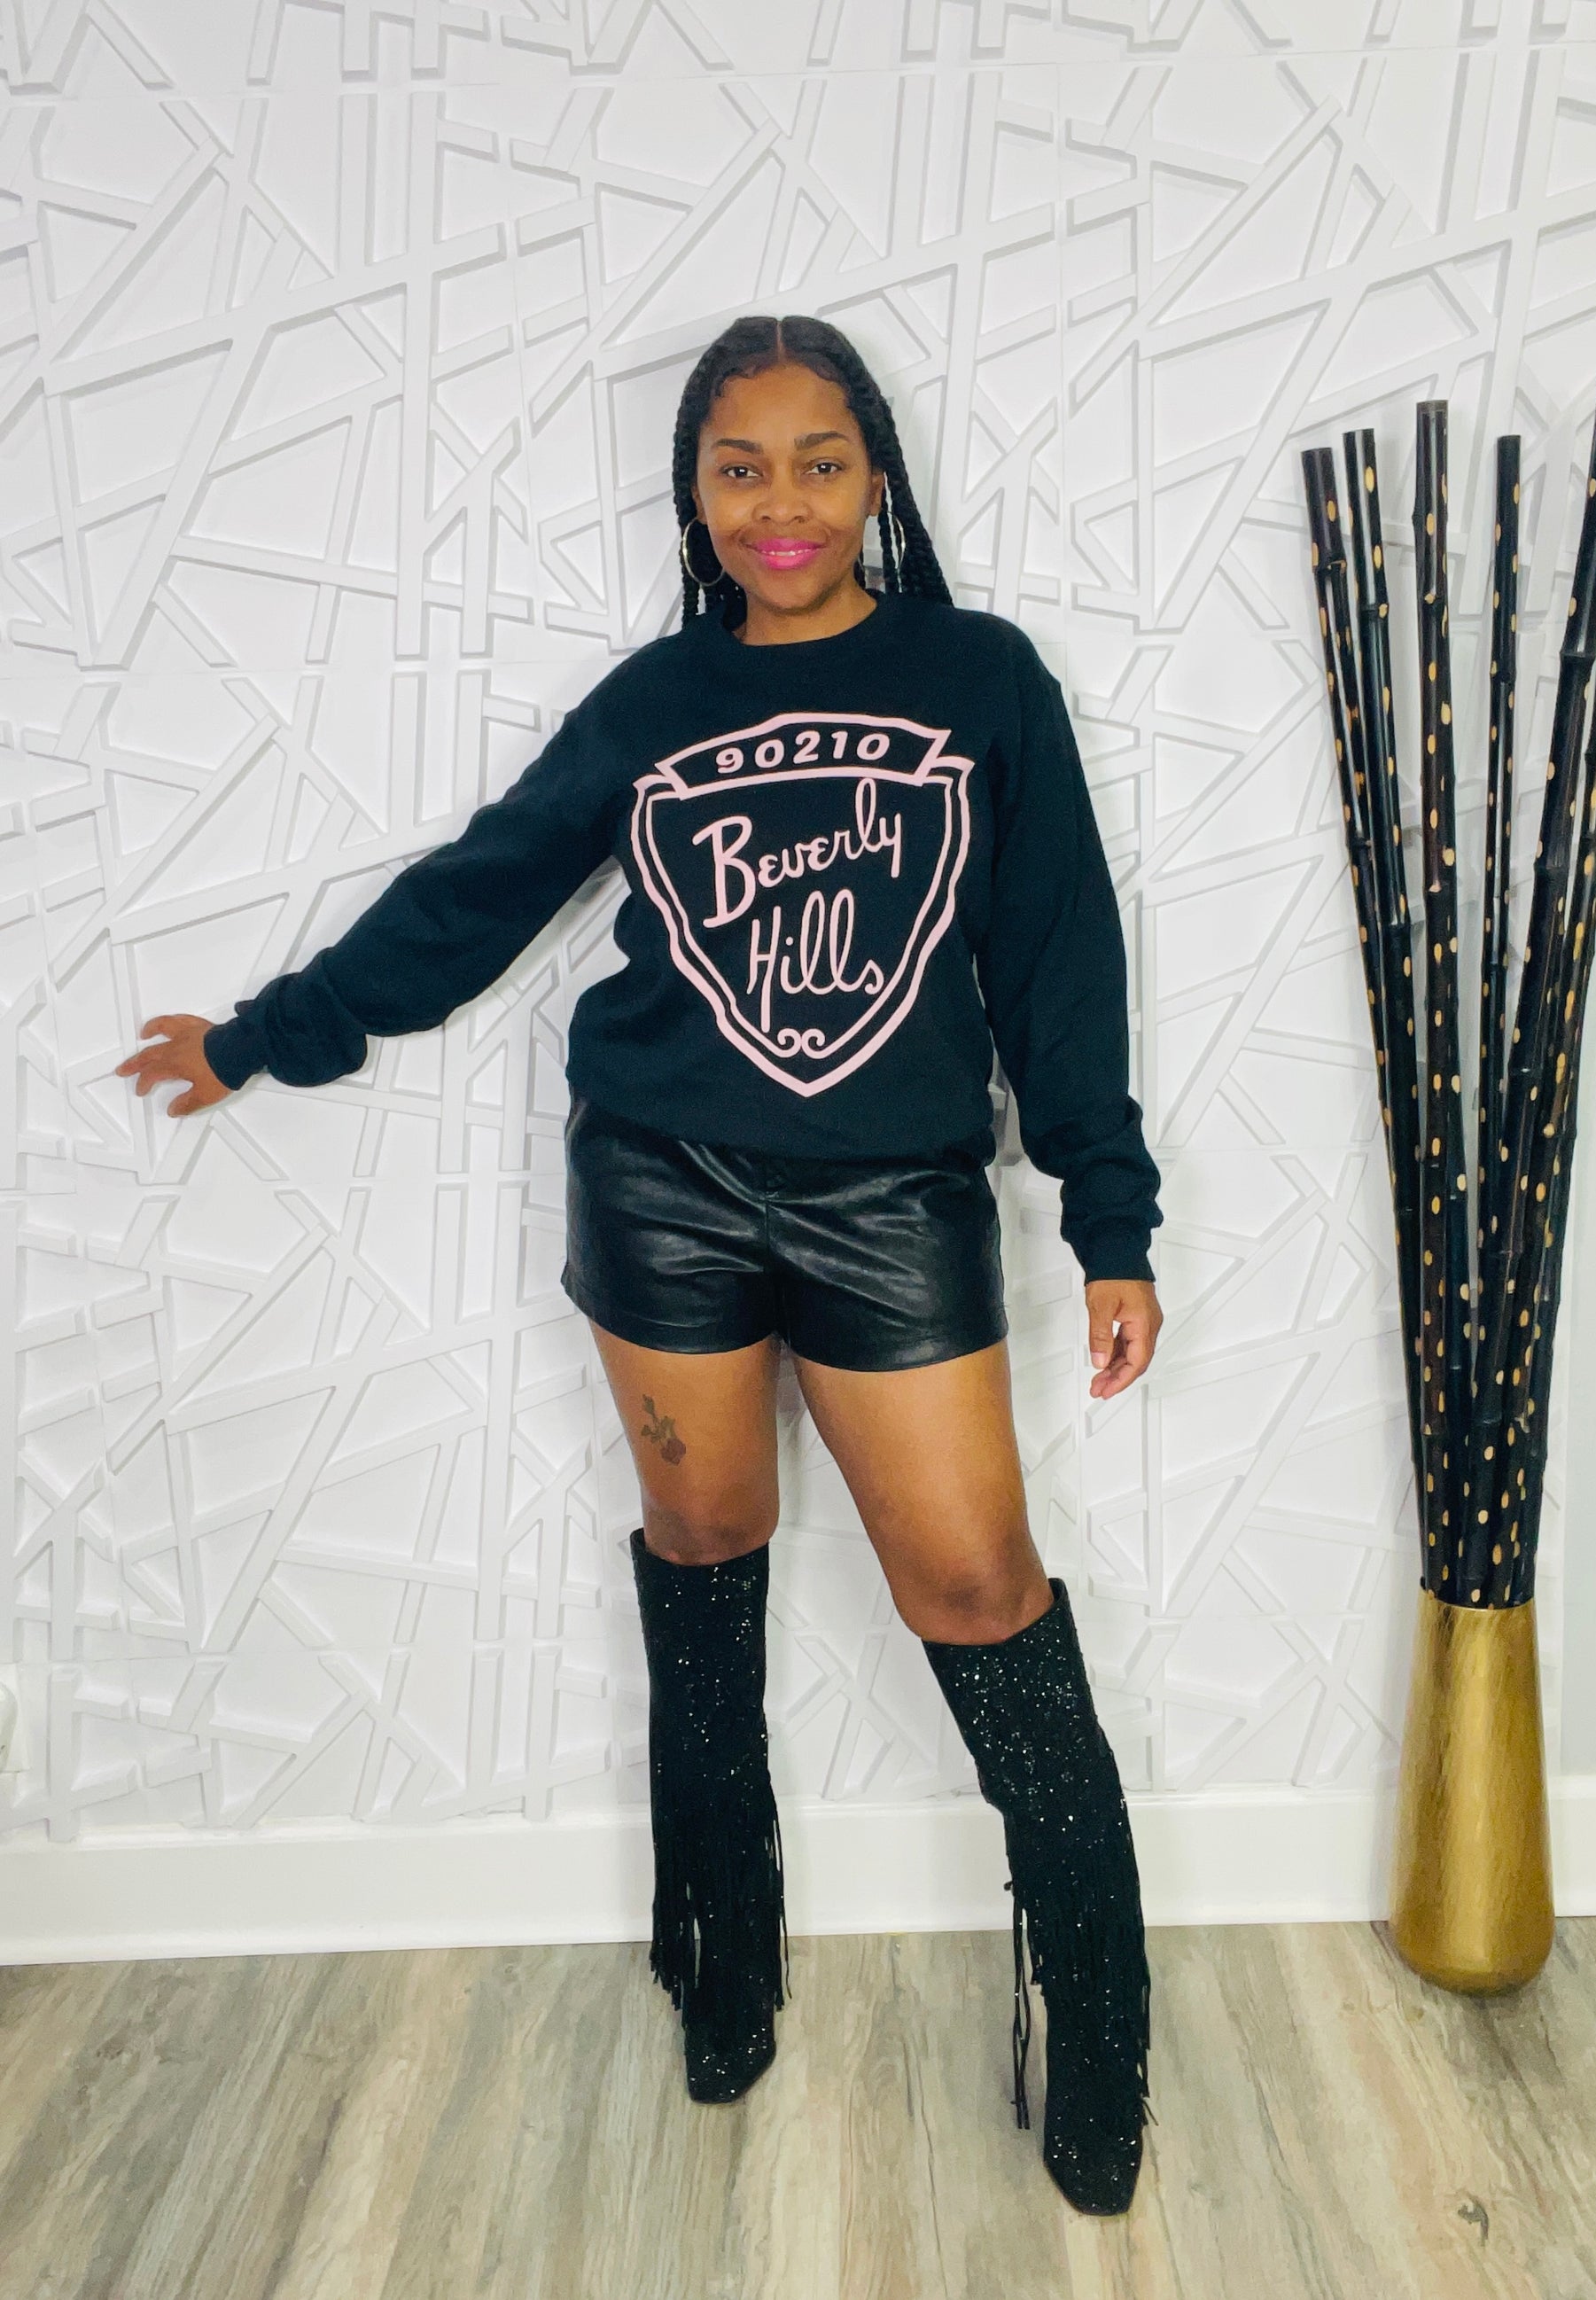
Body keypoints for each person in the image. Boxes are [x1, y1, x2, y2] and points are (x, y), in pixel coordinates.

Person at [115, 314, 1165, 2217]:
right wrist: (267, 1034)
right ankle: (724, 1947)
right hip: (660, 1187)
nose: (782, 504)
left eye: (818, 460)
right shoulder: (655, 701)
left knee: (976, 1582)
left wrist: (1110, 1212)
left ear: (875, 476)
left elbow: (1056, 951)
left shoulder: (980, 678)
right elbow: (484, 885)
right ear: (694, 494)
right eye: (737, 467)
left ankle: (1098, 2023)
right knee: (704, 1549)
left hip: (896, 1196)